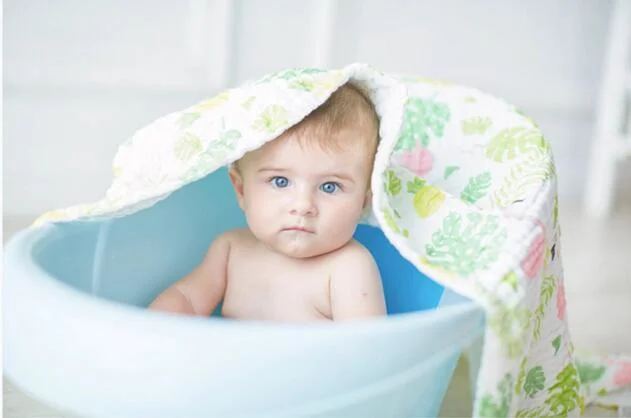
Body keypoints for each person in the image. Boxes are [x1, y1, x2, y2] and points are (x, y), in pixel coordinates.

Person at [149, 83, 386, 322]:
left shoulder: (348, 268)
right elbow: (187, 299)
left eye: (329, 187)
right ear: (241, 190)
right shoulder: (231, 250)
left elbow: (365, 351)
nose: (303, 205)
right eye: (280, 181)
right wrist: (153, 326)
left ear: (364, 202)